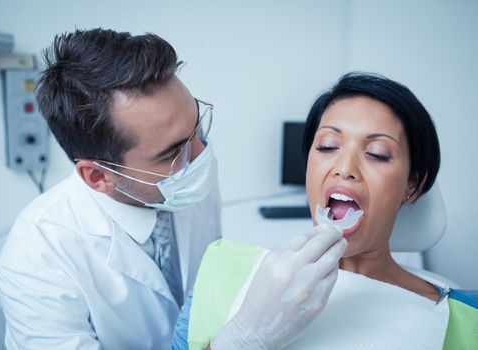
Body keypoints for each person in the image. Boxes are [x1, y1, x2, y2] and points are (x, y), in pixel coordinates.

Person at [0, 28, 346, 350]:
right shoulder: (38, 257)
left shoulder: (189, 177)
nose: (200, 155)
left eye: (197, 127)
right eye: (173, 152)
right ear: (98, 176)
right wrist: (244, 339)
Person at [173, 72, 478, 349]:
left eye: (377, 153)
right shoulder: (221, 273)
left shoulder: (466, 322)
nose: (344, 169)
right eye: (328, 147)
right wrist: (243, 337)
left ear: (412, 185)